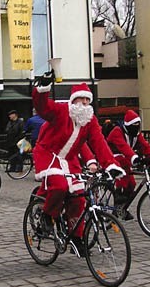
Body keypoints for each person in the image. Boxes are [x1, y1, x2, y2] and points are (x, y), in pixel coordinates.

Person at [32, 75, 124, 256]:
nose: (83, 103)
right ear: (72, 101)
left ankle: (76, 237)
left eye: (87, 100)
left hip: (69, 160)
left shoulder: (90, 121)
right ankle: (47, 216)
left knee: (79, 198)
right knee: (59, 185)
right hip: (49, 154)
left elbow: (98, 142)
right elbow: (43, 108)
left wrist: (110, 164)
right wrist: (42, 89)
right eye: (79, 99)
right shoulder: (60, 111)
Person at [107, 110, 150, 219]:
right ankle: (118, 197)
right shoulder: (117, 131)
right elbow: (124, 147)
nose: (136, 127)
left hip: (126, 157)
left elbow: (146, 147)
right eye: (134, 125)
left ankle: (123, 207)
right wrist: (134, 158)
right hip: (111, 156)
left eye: (138, 125)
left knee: (131, 183)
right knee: (123, 170)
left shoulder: (136, 134)